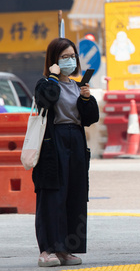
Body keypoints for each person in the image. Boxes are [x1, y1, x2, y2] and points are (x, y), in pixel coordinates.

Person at [33, 38, 99, 267]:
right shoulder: (45, 83)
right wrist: (53, 77)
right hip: (54, 143)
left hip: (76, 142)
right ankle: (47, 250)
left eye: (72, 56)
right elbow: (45, 101)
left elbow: (91, 118)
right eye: (64, 57)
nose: (70, 60)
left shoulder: (77, 85)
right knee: (52, 196)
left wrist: (87, 98)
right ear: (53, 60)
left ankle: (67, 249)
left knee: (75, 194)